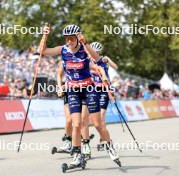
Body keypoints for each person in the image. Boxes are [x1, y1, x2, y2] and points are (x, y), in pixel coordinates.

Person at [41, 24, 120, 167]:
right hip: (73, 90)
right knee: (76, 124)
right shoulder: (63, 50)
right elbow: (43, 51)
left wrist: (86, 43)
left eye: (72, 38)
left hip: (89, 89)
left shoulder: (84, 49)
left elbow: (97, 60)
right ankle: (77, 156)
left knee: (97, 124)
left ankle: (109, 145)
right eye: (67, 39)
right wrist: (45, 35)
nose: (69, 41)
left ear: (77, 38)